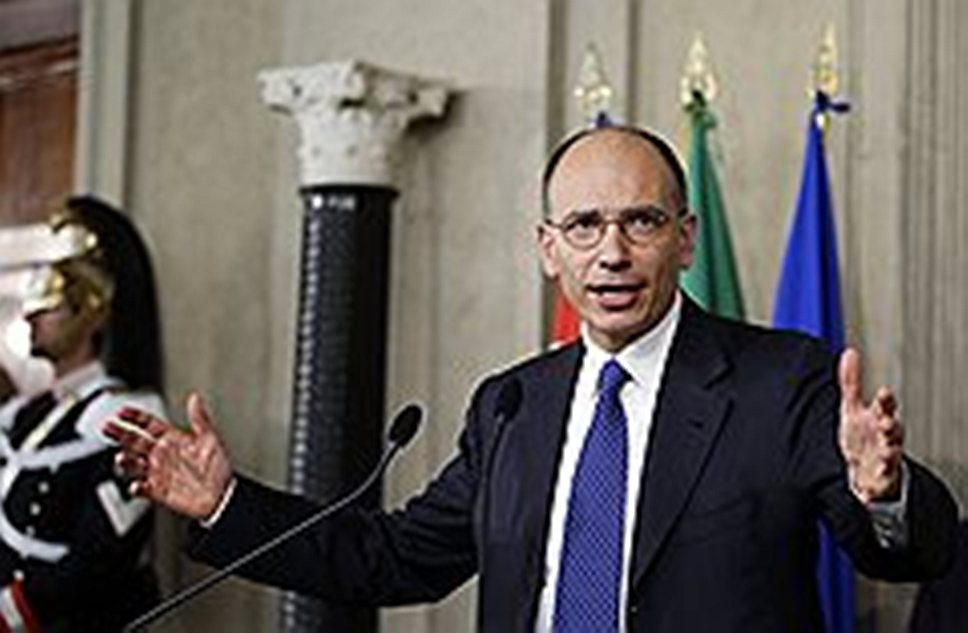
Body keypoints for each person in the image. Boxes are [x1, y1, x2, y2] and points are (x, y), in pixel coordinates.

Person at [107, 126, 957, 633]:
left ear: (687, 238)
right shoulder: (513, 403)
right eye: (584, 225)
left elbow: (918, 551)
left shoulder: (779, 379)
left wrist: (884, 493)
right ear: (549, 248)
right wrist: (226, 504)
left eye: (642, 221)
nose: (612, 251)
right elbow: (394, 558)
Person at [0, 196, 166, 631]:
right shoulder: (23, 415)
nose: (32, 318)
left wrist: (13, 611)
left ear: (91, 316)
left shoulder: (127, 414)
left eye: (50, 307)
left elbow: (102, 552)